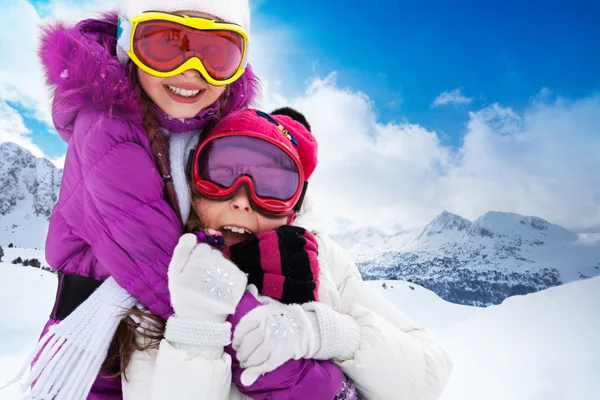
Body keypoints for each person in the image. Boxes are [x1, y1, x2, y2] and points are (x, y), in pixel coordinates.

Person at [121, 108, 454, 399]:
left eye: (271, 185)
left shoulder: (322, 260)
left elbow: (427, 380)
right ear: (195, 183)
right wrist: (198, 329)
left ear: (293, 207)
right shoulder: (163, 281)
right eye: (222, 173)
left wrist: (329, 333)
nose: (242, 199)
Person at [23, 0, 257, 398]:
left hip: (174, 349)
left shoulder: (209, 134)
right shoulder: (104, 126)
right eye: (165, 45)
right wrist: (272, 343)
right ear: (127, 44)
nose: (190, 70)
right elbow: (162, 269)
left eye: (217, 53)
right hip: (97, 358)